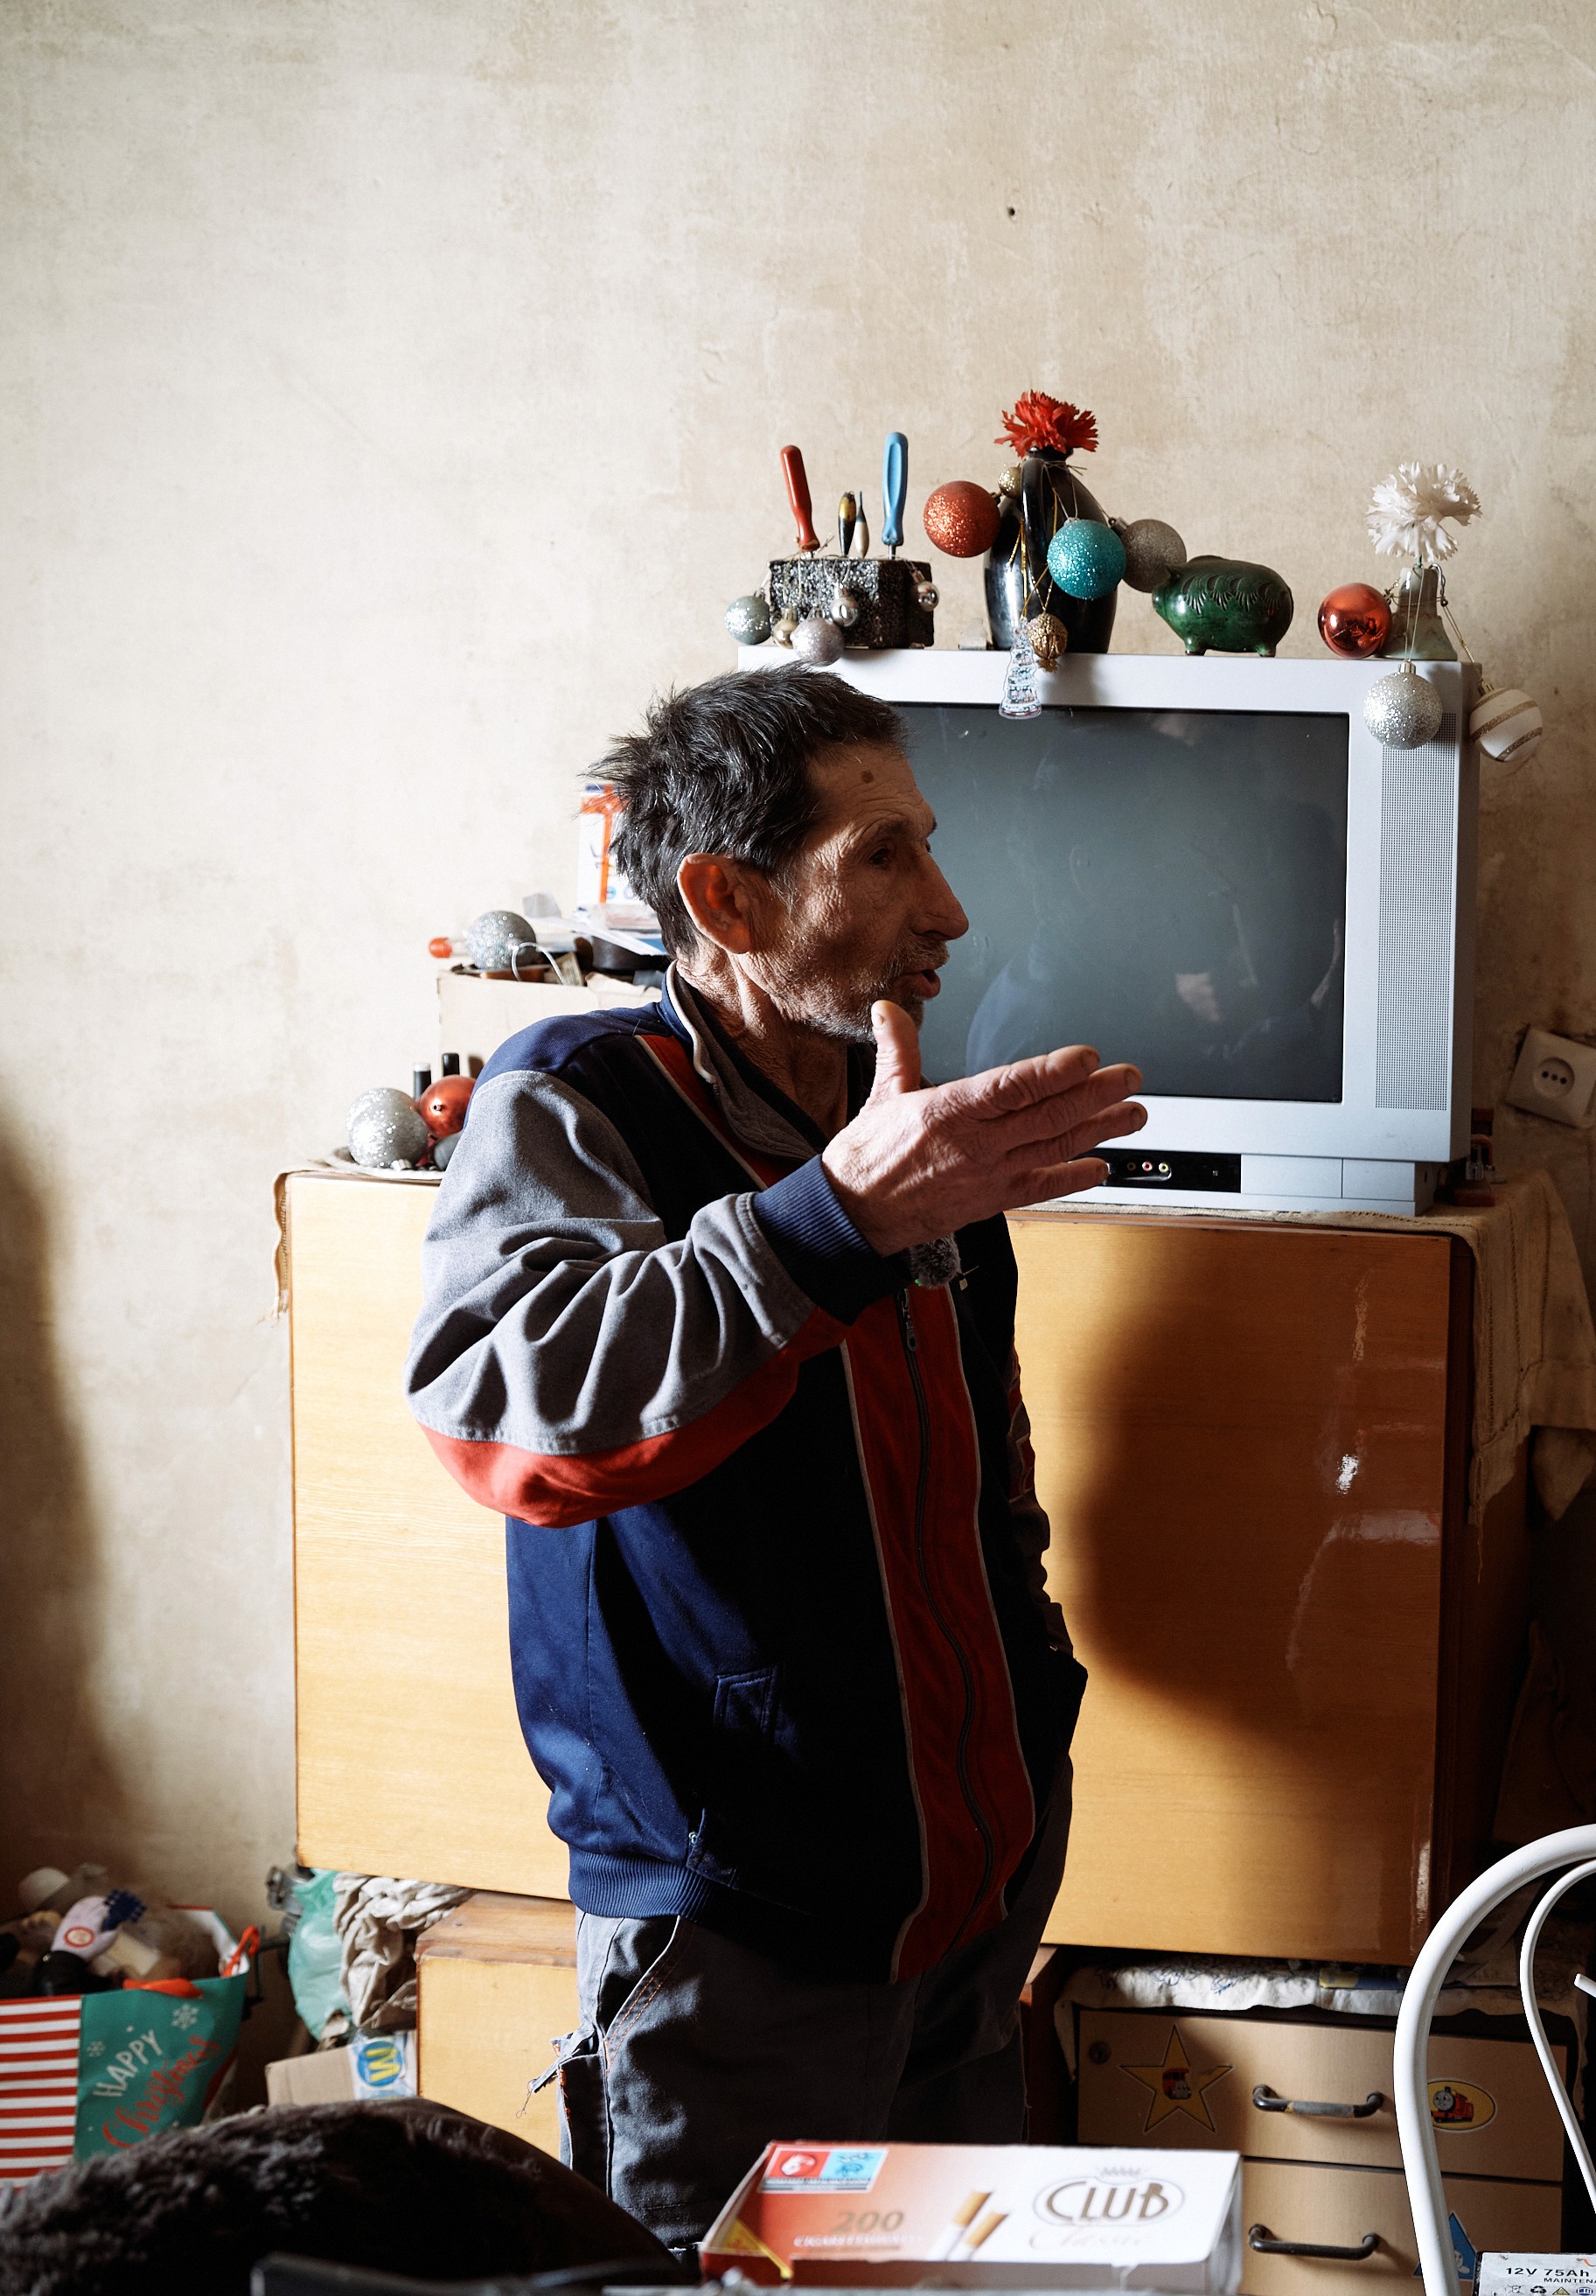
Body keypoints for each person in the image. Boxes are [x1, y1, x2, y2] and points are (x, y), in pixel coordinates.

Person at [405, 666, 1145, 2249]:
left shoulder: (919, 1133)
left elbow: (985, 1487)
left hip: (968, 1898)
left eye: (931, 848)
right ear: (727, 898)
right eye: (884, 856)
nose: (948, 907)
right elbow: (499, 1410)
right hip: (736, 1935)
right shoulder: (575, 1096)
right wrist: (836, 1223)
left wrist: (1035, 1720)